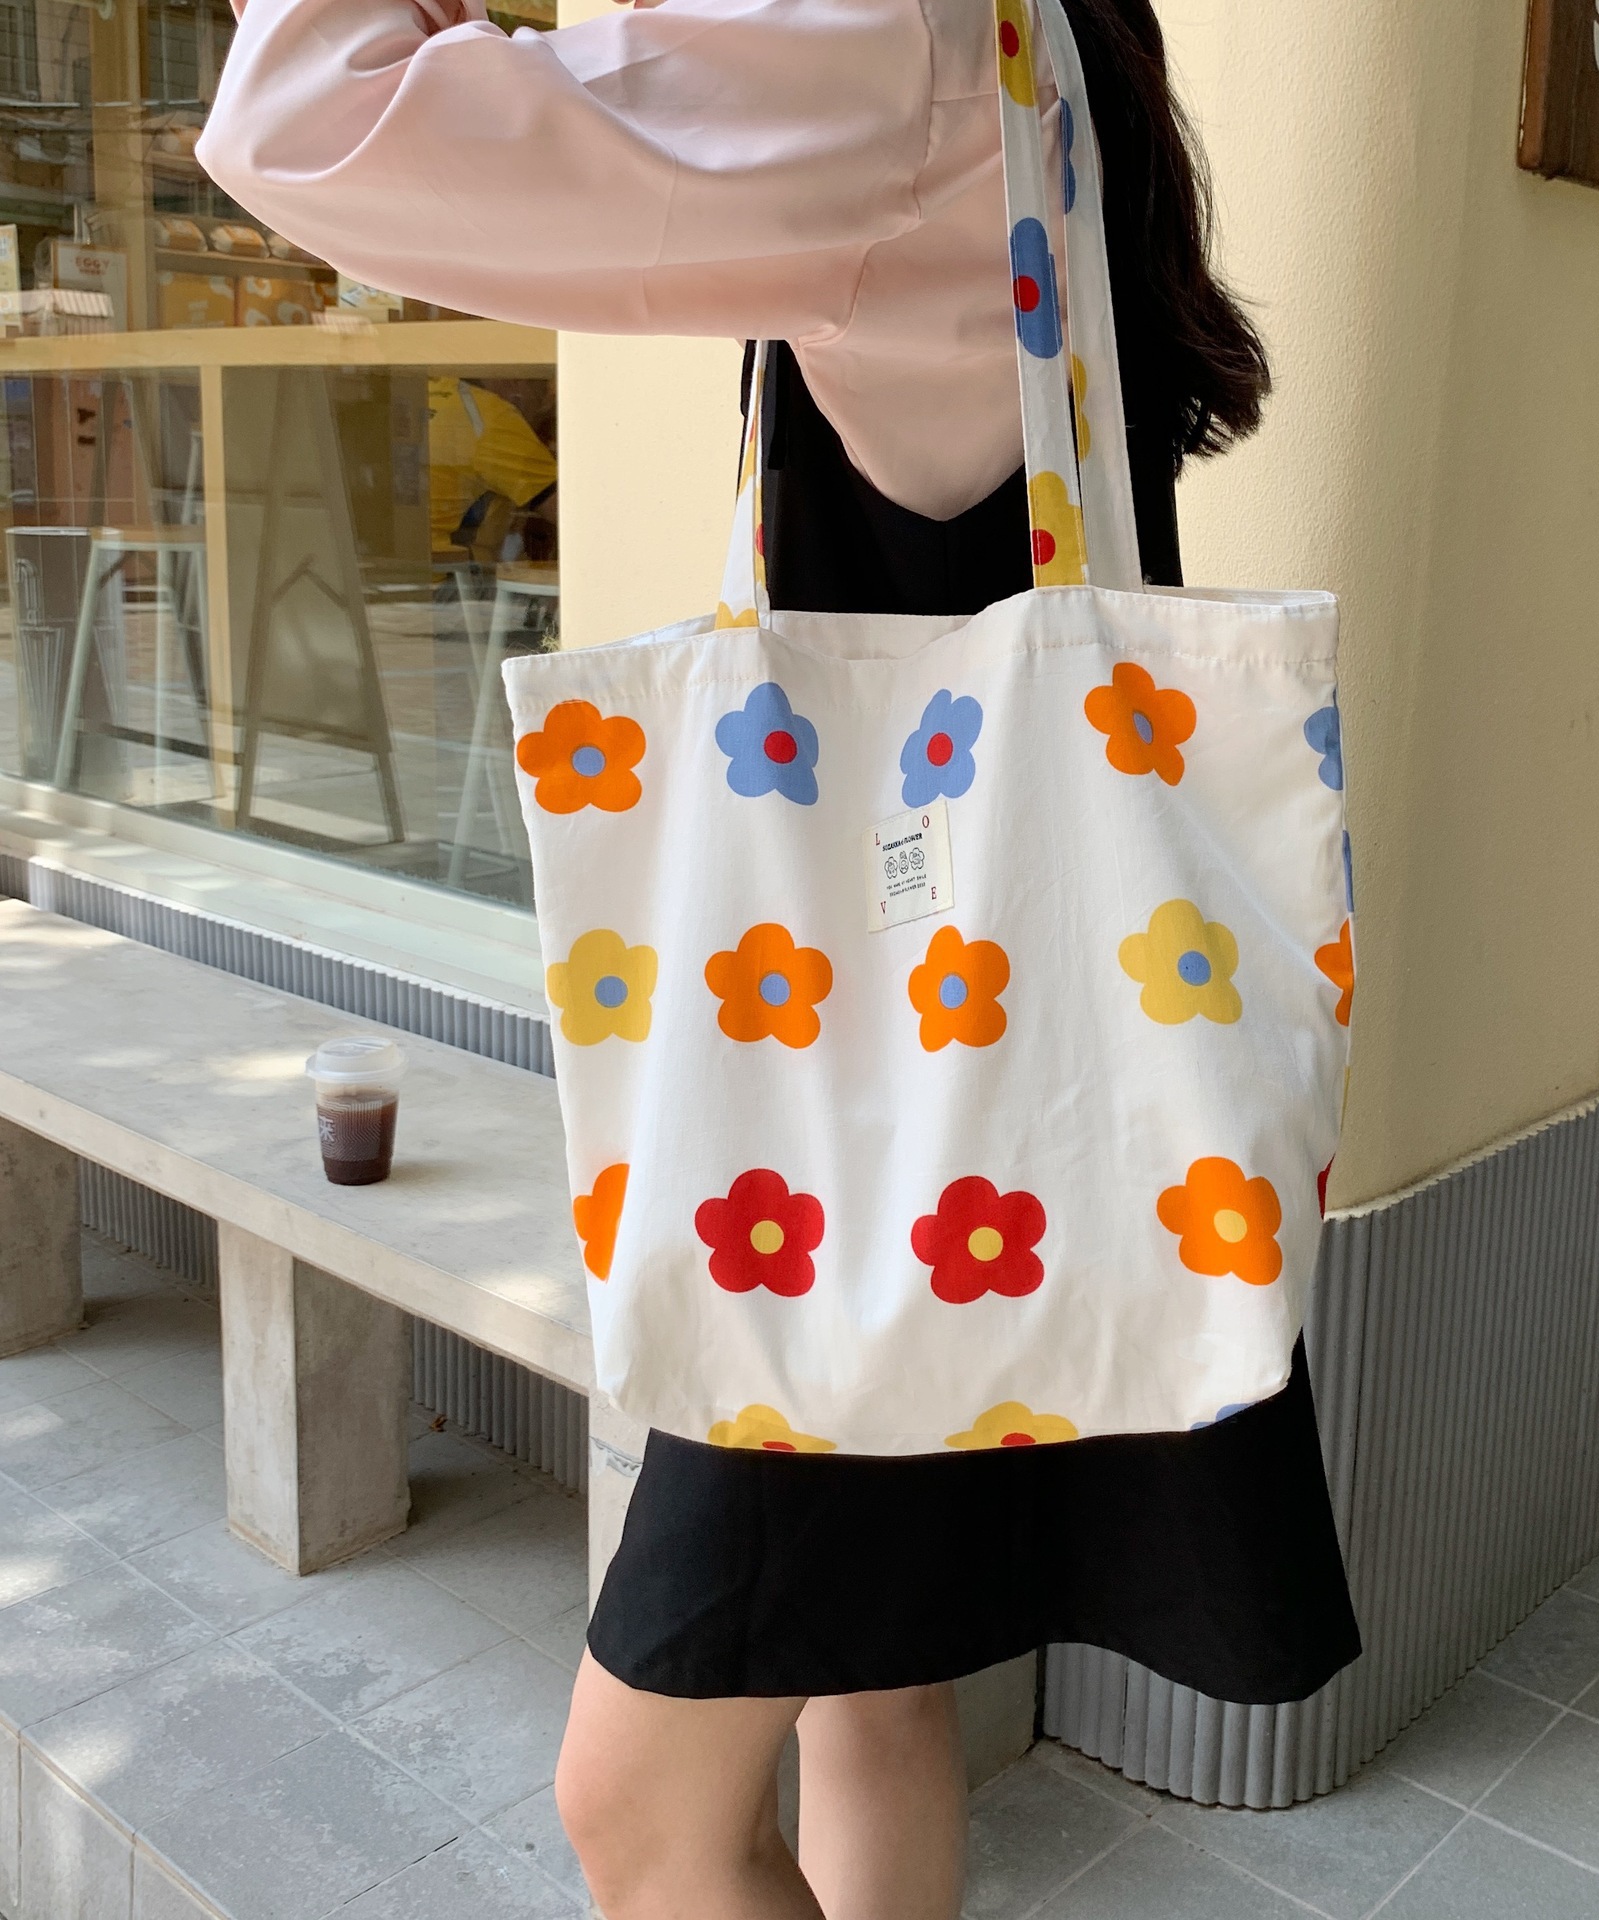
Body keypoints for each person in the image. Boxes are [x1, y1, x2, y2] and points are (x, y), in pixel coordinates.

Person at [200, 4, 1361, 1916]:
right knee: (869, 1687)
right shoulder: (1027, 43)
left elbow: (315, 119)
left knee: (639, 1807)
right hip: (978, 1140)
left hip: (866, 1169)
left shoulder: (887, 41)